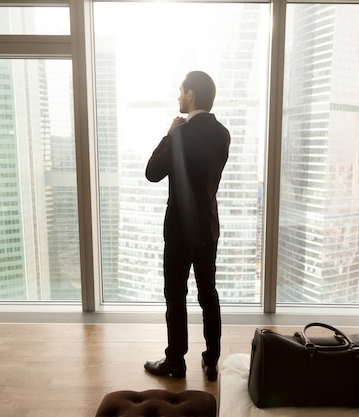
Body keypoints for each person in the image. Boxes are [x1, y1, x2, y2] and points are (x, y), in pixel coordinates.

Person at [144, 71, 231, 382]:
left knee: (175, 295)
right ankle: (211, 363)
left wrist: (169, 134)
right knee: (208, 294)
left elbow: (152, 172)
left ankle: (176, 362)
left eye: (181, 92)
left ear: (191, 95)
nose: (178, 97)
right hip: (207, 228)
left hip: (180, 230)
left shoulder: (180, 134)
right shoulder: (223, 134)